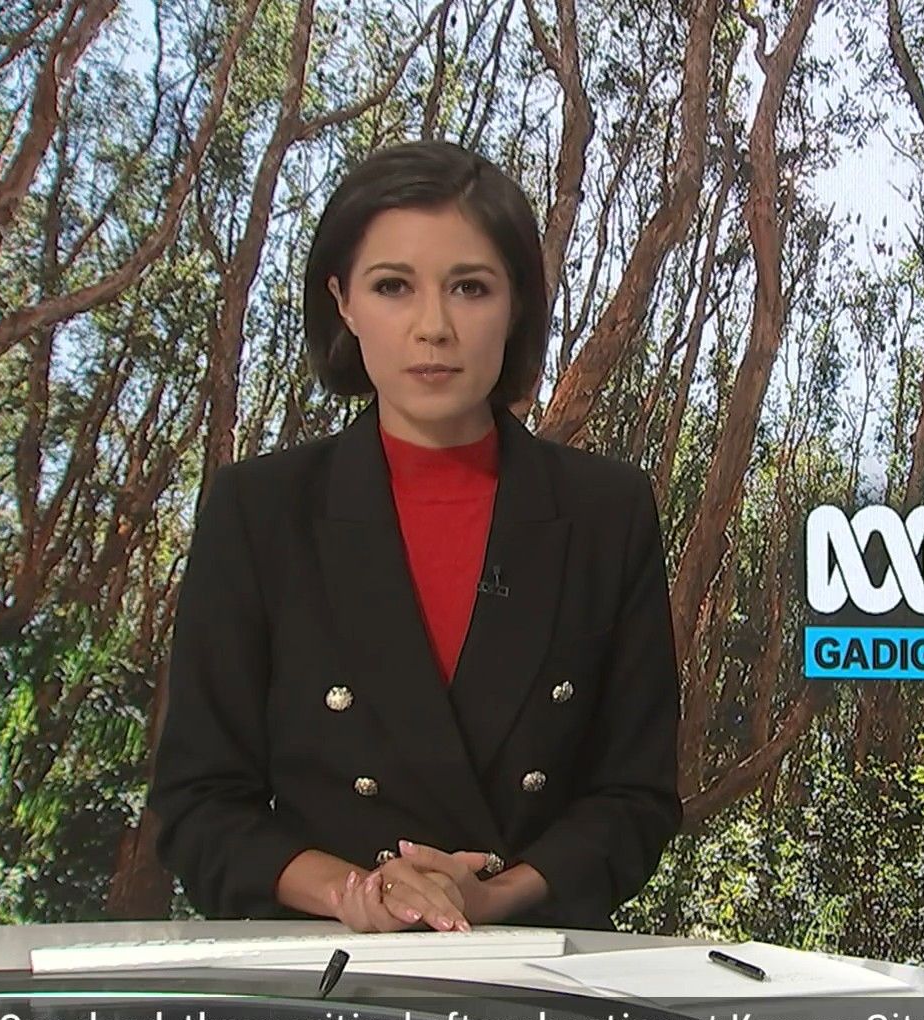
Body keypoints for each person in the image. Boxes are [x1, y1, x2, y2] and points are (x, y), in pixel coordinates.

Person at [148, 139, 682, 933]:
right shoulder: (258, 511)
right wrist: (357, 893)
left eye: (470, 288)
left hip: (534, 973)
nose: (433, 327)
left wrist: (489, 897)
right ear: (343, 302)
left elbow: (634, 800)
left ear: (517, 304)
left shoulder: (607, 511)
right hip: (325, 975)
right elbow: (198, 805)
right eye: (392, 286)